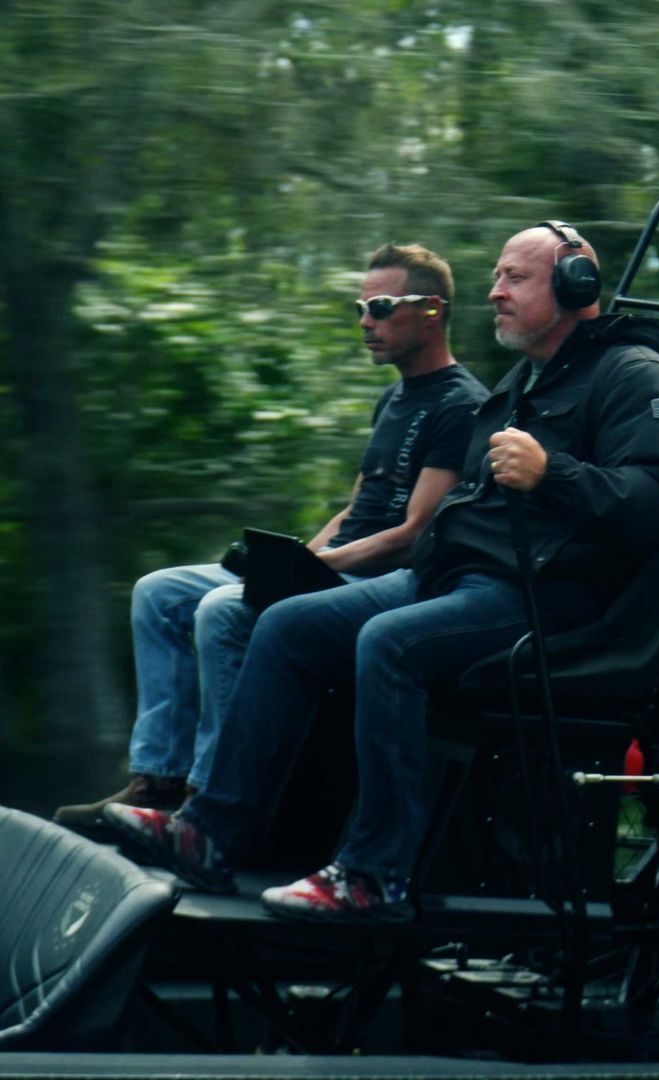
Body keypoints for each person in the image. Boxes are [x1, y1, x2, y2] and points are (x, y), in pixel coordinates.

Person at [105, 222, 659, 922]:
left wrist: (552, 474)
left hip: (544, 598)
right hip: (458, 578)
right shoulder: (526, 381)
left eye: (516, 277)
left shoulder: (635, 374)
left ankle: (372, 874)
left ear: (576, 286)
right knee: (286, 621)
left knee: (388, 644)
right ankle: (211, 833)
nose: (495, 291)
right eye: (498, 276)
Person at [55, 244, 487, 832]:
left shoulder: (462, 405)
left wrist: (320, 566)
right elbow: (359, 506)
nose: (365, 320)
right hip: (335, 564)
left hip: (373, 582)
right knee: (159, 592)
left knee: (221, 608)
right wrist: (298, 557)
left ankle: (214, 803)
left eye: (381, 306)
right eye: (360, 306)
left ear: (432, 310)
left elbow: (412, 534)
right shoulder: (393, 398)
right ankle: (159, 779)